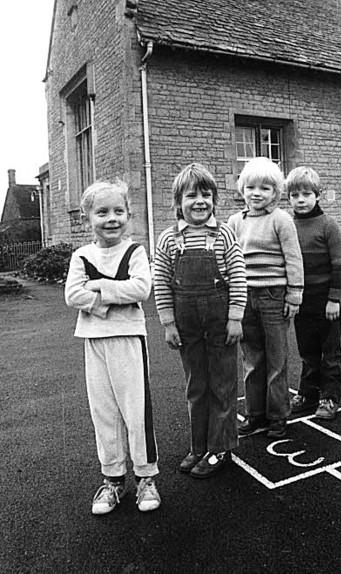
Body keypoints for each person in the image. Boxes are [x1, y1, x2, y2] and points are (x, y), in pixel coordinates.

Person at [64, 180, 161, 515]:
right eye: (102, 212)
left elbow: (141, 289)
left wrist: (100, 287)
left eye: (118, 211)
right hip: (94, 341)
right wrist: (108, 302)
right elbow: (72, 295)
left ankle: (146, 477)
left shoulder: (135, 252)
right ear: (87, 218)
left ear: (129, 215)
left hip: (128, 339)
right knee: (104, 413)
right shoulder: (81, 256)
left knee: (135, 410)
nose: (111, 219)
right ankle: (113, 480)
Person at [154, 164, 247, 478]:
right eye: (191, 195)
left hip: (221, 321)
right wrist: (168, 323)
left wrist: (235, 318)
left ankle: (220, 448)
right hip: (186, 323)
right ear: (178, 201)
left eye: (206, 194)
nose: (199, 201)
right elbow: (162, 283)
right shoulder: (168, 240)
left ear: (214, 199)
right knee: (196, 386)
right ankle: (199, 445)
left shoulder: (224, 235)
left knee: (222, 384)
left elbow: (237, 277)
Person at [228, 157, 303, 439]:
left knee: (276, 359)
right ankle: (255, 412)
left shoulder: (281, 219)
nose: (257, 193)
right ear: (242, 189)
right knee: (252, 357)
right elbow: (230, 261)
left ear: (276, 192)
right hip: (244, 295)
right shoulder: (235, 221)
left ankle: (278, 415)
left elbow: (293, 259)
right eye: (251, 187)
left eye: (265, 188)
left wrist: (294, 295)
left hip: (274, 296)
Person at [286, 167, 341, 420]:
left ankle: (329, 396)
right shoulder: (287, 225)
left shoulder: (328, 225)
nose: (300, 200)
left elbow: (340, 263)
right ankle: (308, 393)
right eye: (294, 195)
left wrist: (334, 299)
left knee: (329, 350)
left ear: (317, 195)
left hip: (325, 300)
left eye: (306, 194)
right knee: (307, 350)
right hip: (302, 300)